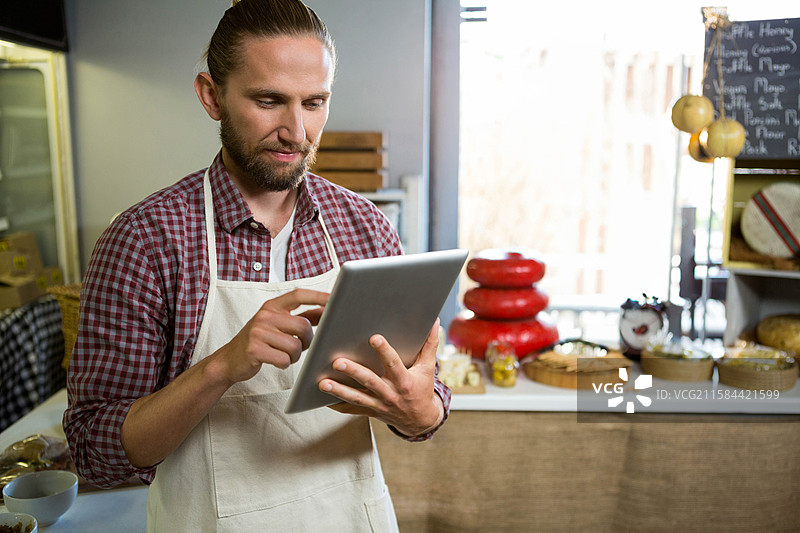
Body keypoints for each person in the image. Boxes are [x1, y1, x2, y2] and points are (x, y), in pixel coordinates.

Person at [63, 0, 450, 530]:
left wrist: (419, 410)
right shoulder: (144, 240)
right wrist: (222, 366)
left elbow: (426, 402)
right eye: (269, 101)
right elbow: (93, 450)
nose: (297, 130)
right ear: (211, 96)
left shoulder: (364, 227)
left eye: (314, 102)